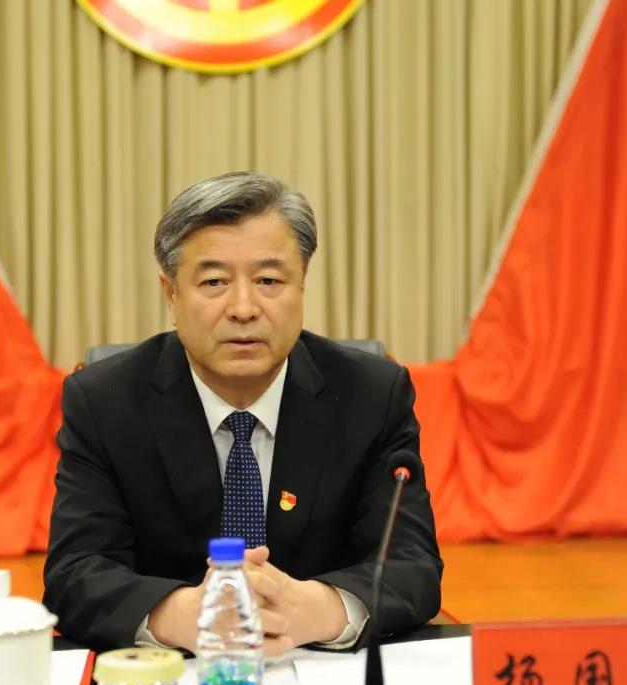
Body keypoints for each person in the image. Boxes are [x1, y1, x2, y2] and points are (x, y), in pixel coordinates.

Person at [43, 171, 442, 654]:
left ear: (302, 285)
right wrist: (179, 614)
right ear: (171, 294)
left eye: (269, 280)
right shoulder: (105, 402)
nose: (243, 308)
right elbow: (74, 572)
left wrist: (315, 609)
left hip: (322, 670)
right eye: (214, 282)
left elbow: (411, 565)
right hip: (174, 675)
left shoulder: (370, 395)